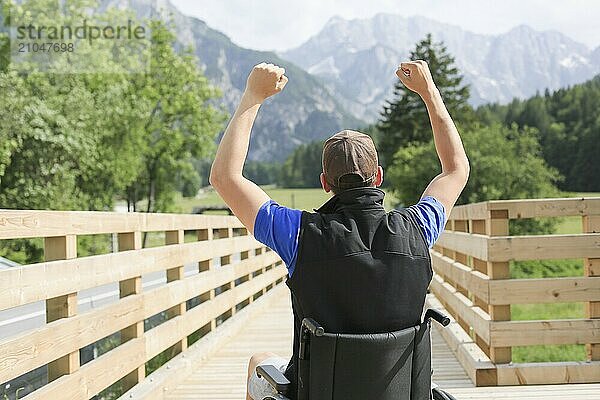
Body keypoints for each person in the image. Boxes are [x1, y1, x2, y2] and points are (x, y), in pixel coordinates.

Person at [209, 60, 469, 400]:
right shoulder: (418, 227)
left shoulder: (299, 234)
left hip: (316, 393)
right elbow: (455, 169)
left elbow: (225, 178)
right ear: (378, 177)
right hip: (401, 393)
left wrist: (252, 97)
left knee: (259, 362)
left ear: (325, 184)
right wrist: (429, 92)